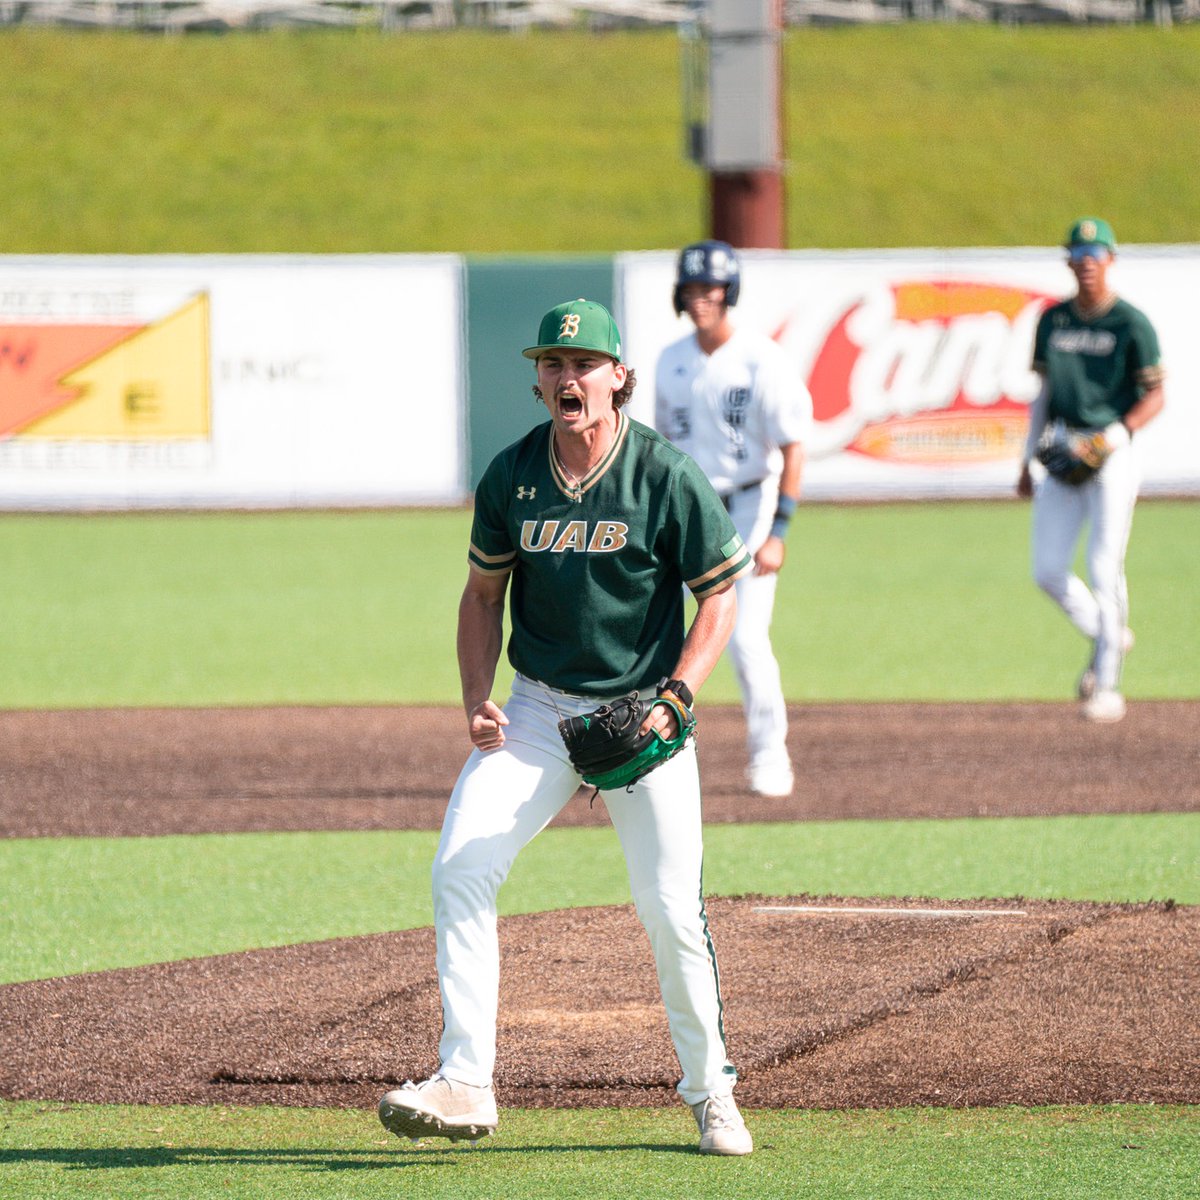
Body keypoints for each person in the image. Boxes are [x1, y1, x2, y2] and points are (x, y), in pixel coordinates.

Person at [378, 299, 757, 1156]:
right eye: (552, 363)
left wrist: (678, 696)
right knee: (460, 868)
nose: (567, 377)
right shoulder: (513, 474)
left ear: (618, 377)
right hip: (540, 708)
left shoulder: (663, 475)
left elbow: (719, 595)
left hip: (641, 713)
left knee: (670, 911)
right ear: (539, 380)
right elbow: (483, 595)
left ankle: (712, 1094)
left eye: (584, 364)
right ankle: (465, 1082)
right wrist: (476, 696)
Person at [655, 240, 811, 797]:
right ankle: (631, 747)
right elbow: (663, 448)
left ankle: (770, 754)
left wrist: (779, 531)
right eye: (692, 288)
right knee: (651, 633)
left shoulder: (761, 359)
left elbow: (793, 445)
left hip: (748, 501)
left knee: (744, 637)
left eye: (712, 288)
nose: (701, 298)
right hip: (688, 506)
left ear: (730, 292)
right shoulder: (671, 360)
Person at [1016, 217, 1165, 723]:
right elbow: (1043, 394)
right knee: (1047, 569)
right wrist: (1026, 459)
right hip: (1063, 449)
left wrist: (1114, 436)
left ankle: (1108, 686)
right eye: (1078, 256)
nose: (1086, 264)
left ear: (1110, 260)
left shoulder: (1130, 323)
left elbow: (1156, 394)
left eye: (1095, 255)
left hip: (1112, 451)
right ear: (1069, 263)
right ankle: (1110, 635)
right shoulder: (1053, 320)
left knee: (1104, 567)